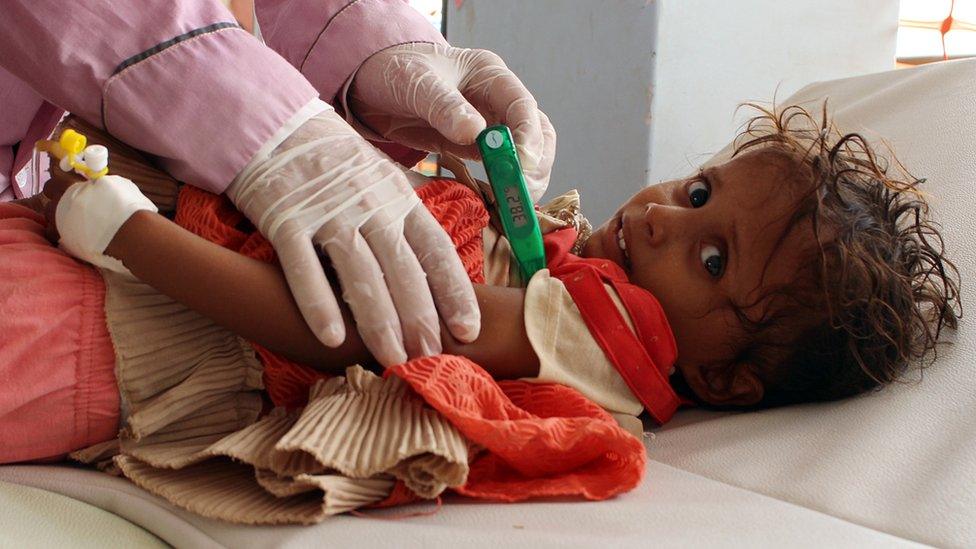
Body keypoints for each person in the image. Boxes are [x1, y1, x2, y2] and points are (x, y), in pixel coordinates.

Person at [0, 105, 960, 521]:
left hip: (122, 335)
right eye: (700, 191)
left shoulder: (589, 338)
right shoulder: (572, 260)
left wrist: (131, 232)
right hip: (119, 279)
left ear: (724, 378)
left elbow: (347, 321)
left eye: (712, 257)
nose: (665, 217)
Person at [0, 0, 557, 368]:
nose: (649, 209)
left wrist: (360, 42)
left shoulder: (576, 317)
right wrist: (257, 115)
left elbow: (350, 336)